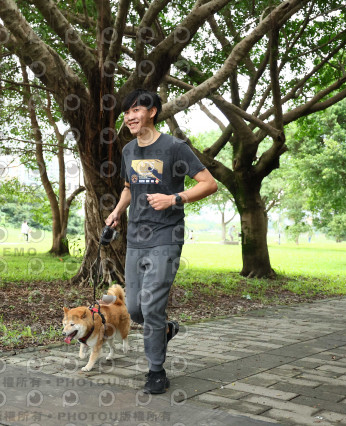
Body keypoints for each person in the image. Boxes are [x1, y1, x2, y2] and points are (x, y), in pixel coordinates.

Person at [106, 89, 218, 394]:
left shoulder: (174, 148)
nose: (129, 117)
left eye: (135, 110)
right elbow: (130, 186)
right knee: (135, 308)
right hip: (136, 238)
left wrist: (174, 198)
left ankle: (156, 371)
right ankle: (165, 330)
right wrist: (117, 211)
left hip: (167, 236)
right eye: (126, 112)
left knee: (152, 306)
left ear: (152, 111)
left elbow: (210, 184)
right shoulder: (129, 150)